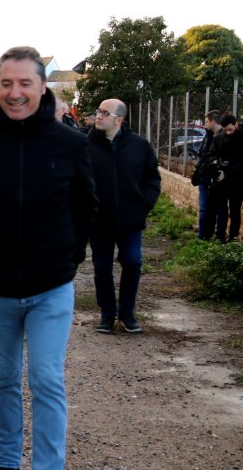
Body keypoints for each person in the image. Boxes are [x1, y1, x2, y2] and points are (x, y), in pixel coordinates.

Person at [0, 46, 97, 470]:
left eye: (24, 83)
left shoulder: (69, 143)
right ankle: (7, 461)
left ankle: (48, 466)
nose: (14, 93)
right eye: (6, 83)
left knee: (47, 381)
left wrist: (70, 259)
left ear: (41, 87)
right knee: (4, 381)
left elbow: (86, 205)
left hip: (51, 287)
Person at [86, 98, 161, 334]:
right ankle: (107, 315)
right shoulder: (86, 146)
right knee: (102, 267)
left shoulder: (139, 146)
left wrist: (144, 205)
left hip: (130, 221)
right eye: (98, 111)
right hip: (100, 221)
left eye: (104, 113)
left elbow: (152, 180)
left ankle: (127, 313)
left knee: (132, 261)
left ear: (119, 119)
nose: (98, 116)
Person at [208, 114, 243, 242]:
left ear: (236, 125)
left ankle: (233, 237)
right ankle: (220, 236)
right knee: (221, 208)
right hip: (222, 180)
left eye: (230, 129)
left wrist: (226, 170)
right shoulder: (218, 138)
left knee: (235, 209)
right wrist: (215, 164)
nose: (228, 133)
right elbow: (213, 155)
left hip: (239, 181)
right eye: (225, 130)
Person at [192, 110, 222, 240]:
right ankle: (202, 235)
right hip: (204, 175)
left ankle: (212, 234)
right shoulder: (208, 136)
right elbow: (202, 154)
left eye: (206, 121)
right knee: (204, 207)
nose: (205, 125)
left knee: (213, 208)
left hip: (214, 177)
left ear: (213, 121)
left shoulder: (221, 138)